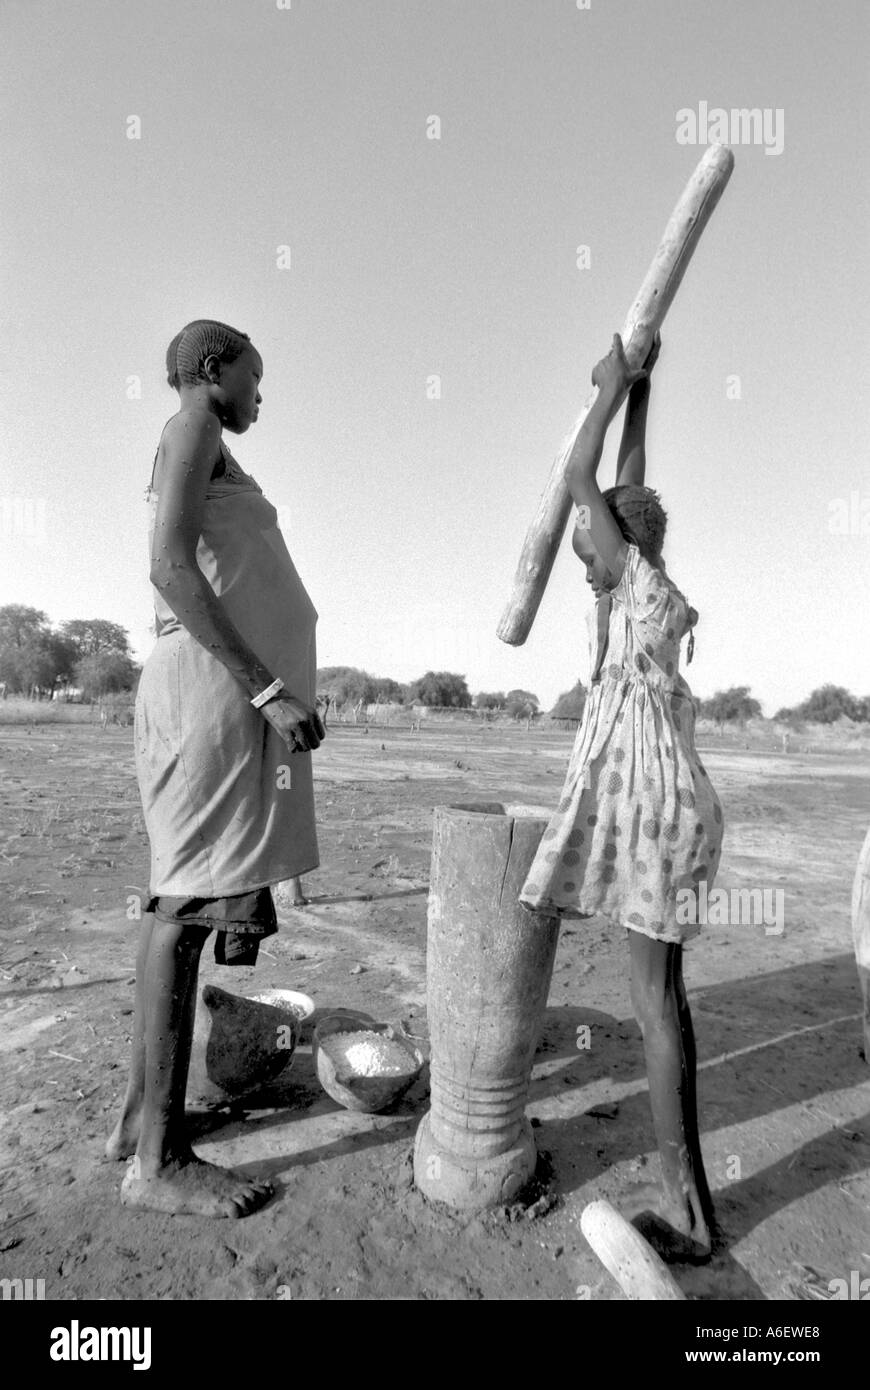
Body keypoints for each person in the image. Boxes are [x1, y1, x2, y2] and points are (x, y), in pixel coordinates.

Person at [107, 319, 324, 1218]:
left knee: (185, 905)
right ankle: (158, 1163)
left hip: (229, 709)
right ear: (212, 370)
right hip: (210, 700)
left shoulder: (205, 441)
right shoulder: (192, 424)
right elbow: (170, 566)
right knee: (182, 913)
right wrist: (268, 685)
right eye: (253, 375)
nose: (260, 393)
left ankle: (137, 1122)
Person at [519, 331, 722, 1259]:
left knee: (651, 1005)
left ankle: (686, 1215)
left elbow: (580, 473)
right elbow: (624, 482)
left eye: (589, 551)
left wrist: (601, 392)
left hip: (654, 817)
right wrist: (640, 394)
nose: (583, 567)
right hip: (679, 813)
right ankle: (692, 1206)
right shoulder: (650, 589)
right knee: (664, 998)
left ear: (620, 546)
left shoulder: (633, 583)